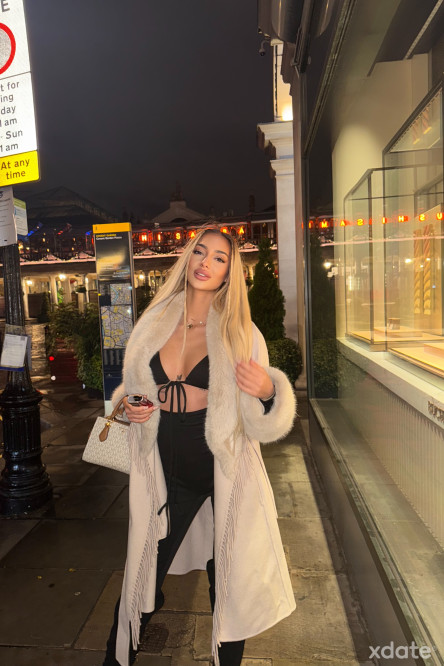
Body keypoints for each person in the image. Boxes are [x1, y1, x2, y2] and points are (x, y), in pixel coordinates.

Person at [103, 227, 296, 666]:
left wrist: (269, 390)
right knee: (139, 581)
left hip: (224, 470)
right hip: (164, 473)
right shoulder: (153, 322)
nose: (206, 263)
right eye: (200, 253)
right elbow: (132, 387)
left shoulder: (241, 333)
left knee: (228, 585)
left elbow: (263, 422)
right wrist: (128, 405)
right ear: (187, 259)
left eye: (220, 258)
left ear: (229, 273)